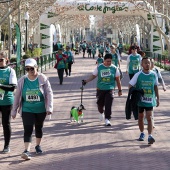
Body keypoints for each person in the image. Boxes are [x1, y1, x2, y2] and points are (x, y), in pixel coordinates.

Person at [11, 58, 53, 160]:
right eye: (27, 69)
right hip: (27, 109)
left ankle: (38, 145)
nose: (30, 71)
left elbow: (49, 94)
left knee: (38, 128)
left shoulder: (43, 78)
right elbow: (17, 96)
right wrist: (14, 110)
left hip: (40, 109)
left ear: (36, 67)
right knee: (28, 129)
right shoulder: (22, 80)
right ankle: (27, 151)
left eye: (32, 68)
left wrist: (49, 108)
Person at [83, 53, 122, 126]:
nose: (109, 63)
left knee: (108, 103)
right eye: (107, 61)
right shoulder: (99, 67)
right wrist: (86, 81)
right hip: (100, 89)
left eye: (110, 61)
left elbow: (118, 79)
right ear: (104, 61)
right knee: (100, 105)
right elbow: (93, 76)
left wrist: (120, 90)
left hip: (110, 89)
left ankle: (107, 118)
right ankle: (101, 112)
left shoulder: (114, 68)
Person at [129, 57, 159, 144]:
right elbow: (130, 85)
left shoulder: (153, 74)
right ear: (142, 65)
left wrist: (158, 98)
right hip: (140, 100)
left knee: (149, 117)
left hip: (150, 99)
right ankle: (142, 133)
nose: (147, 64)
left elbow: (156, 86)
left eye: (149, 63)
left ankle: (150, 136)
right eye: (145, 63)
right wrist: (135, 93)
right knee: (141, 117)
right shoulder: (138, 75)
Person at [0, 51, 17, 153]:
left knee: (6, 123)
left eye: (1, 60)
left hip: (6, 101)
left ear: (6, 60)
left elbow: (12, 87)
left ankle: (6, 146)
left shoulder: (10, 71)